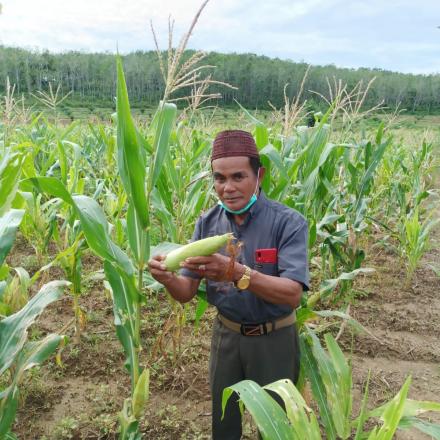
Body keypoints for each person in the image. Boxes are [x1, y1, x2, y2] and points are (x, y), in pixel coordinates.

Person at [148, 129, 309, 439]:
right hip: (227, 337)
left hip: (273, 340)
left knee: (276, 426)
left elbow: (292, 294)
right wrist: (167, 278)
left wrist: (236, 273)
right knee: (224, 423)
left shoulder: (287, 223)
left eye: (238, 177)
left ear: (258, 175)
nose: (228, 188)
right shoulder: (207, 223)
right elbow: (186, 292)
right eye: (220, 179)